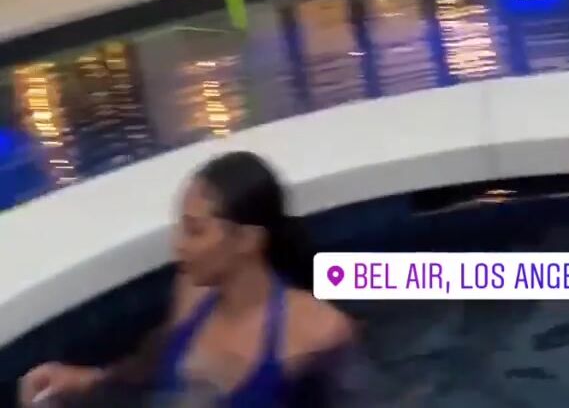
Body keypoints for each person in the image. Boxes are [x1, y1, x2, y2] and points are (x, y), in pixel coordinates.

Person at [20, 152, 376, 406]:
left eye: (194, 231)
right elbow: (147, 372)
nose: (178, 244)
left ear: (247, 240)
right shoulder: (193, 292)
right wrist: (78, 380)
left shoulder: (318, 331)